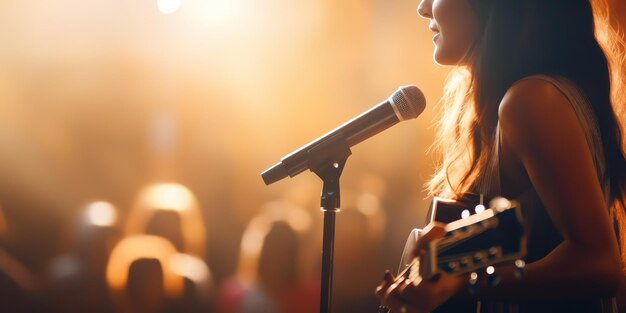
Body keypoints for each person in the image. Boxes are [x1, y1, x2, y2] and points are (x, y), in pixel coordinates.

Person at [376, 0, 626, 312]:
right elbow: (532, 236)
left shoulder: (531, 101)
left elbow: (599, 264)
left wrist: (464, 283)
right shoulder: (530, 99)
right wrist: (451, 251)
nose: (423, 7)